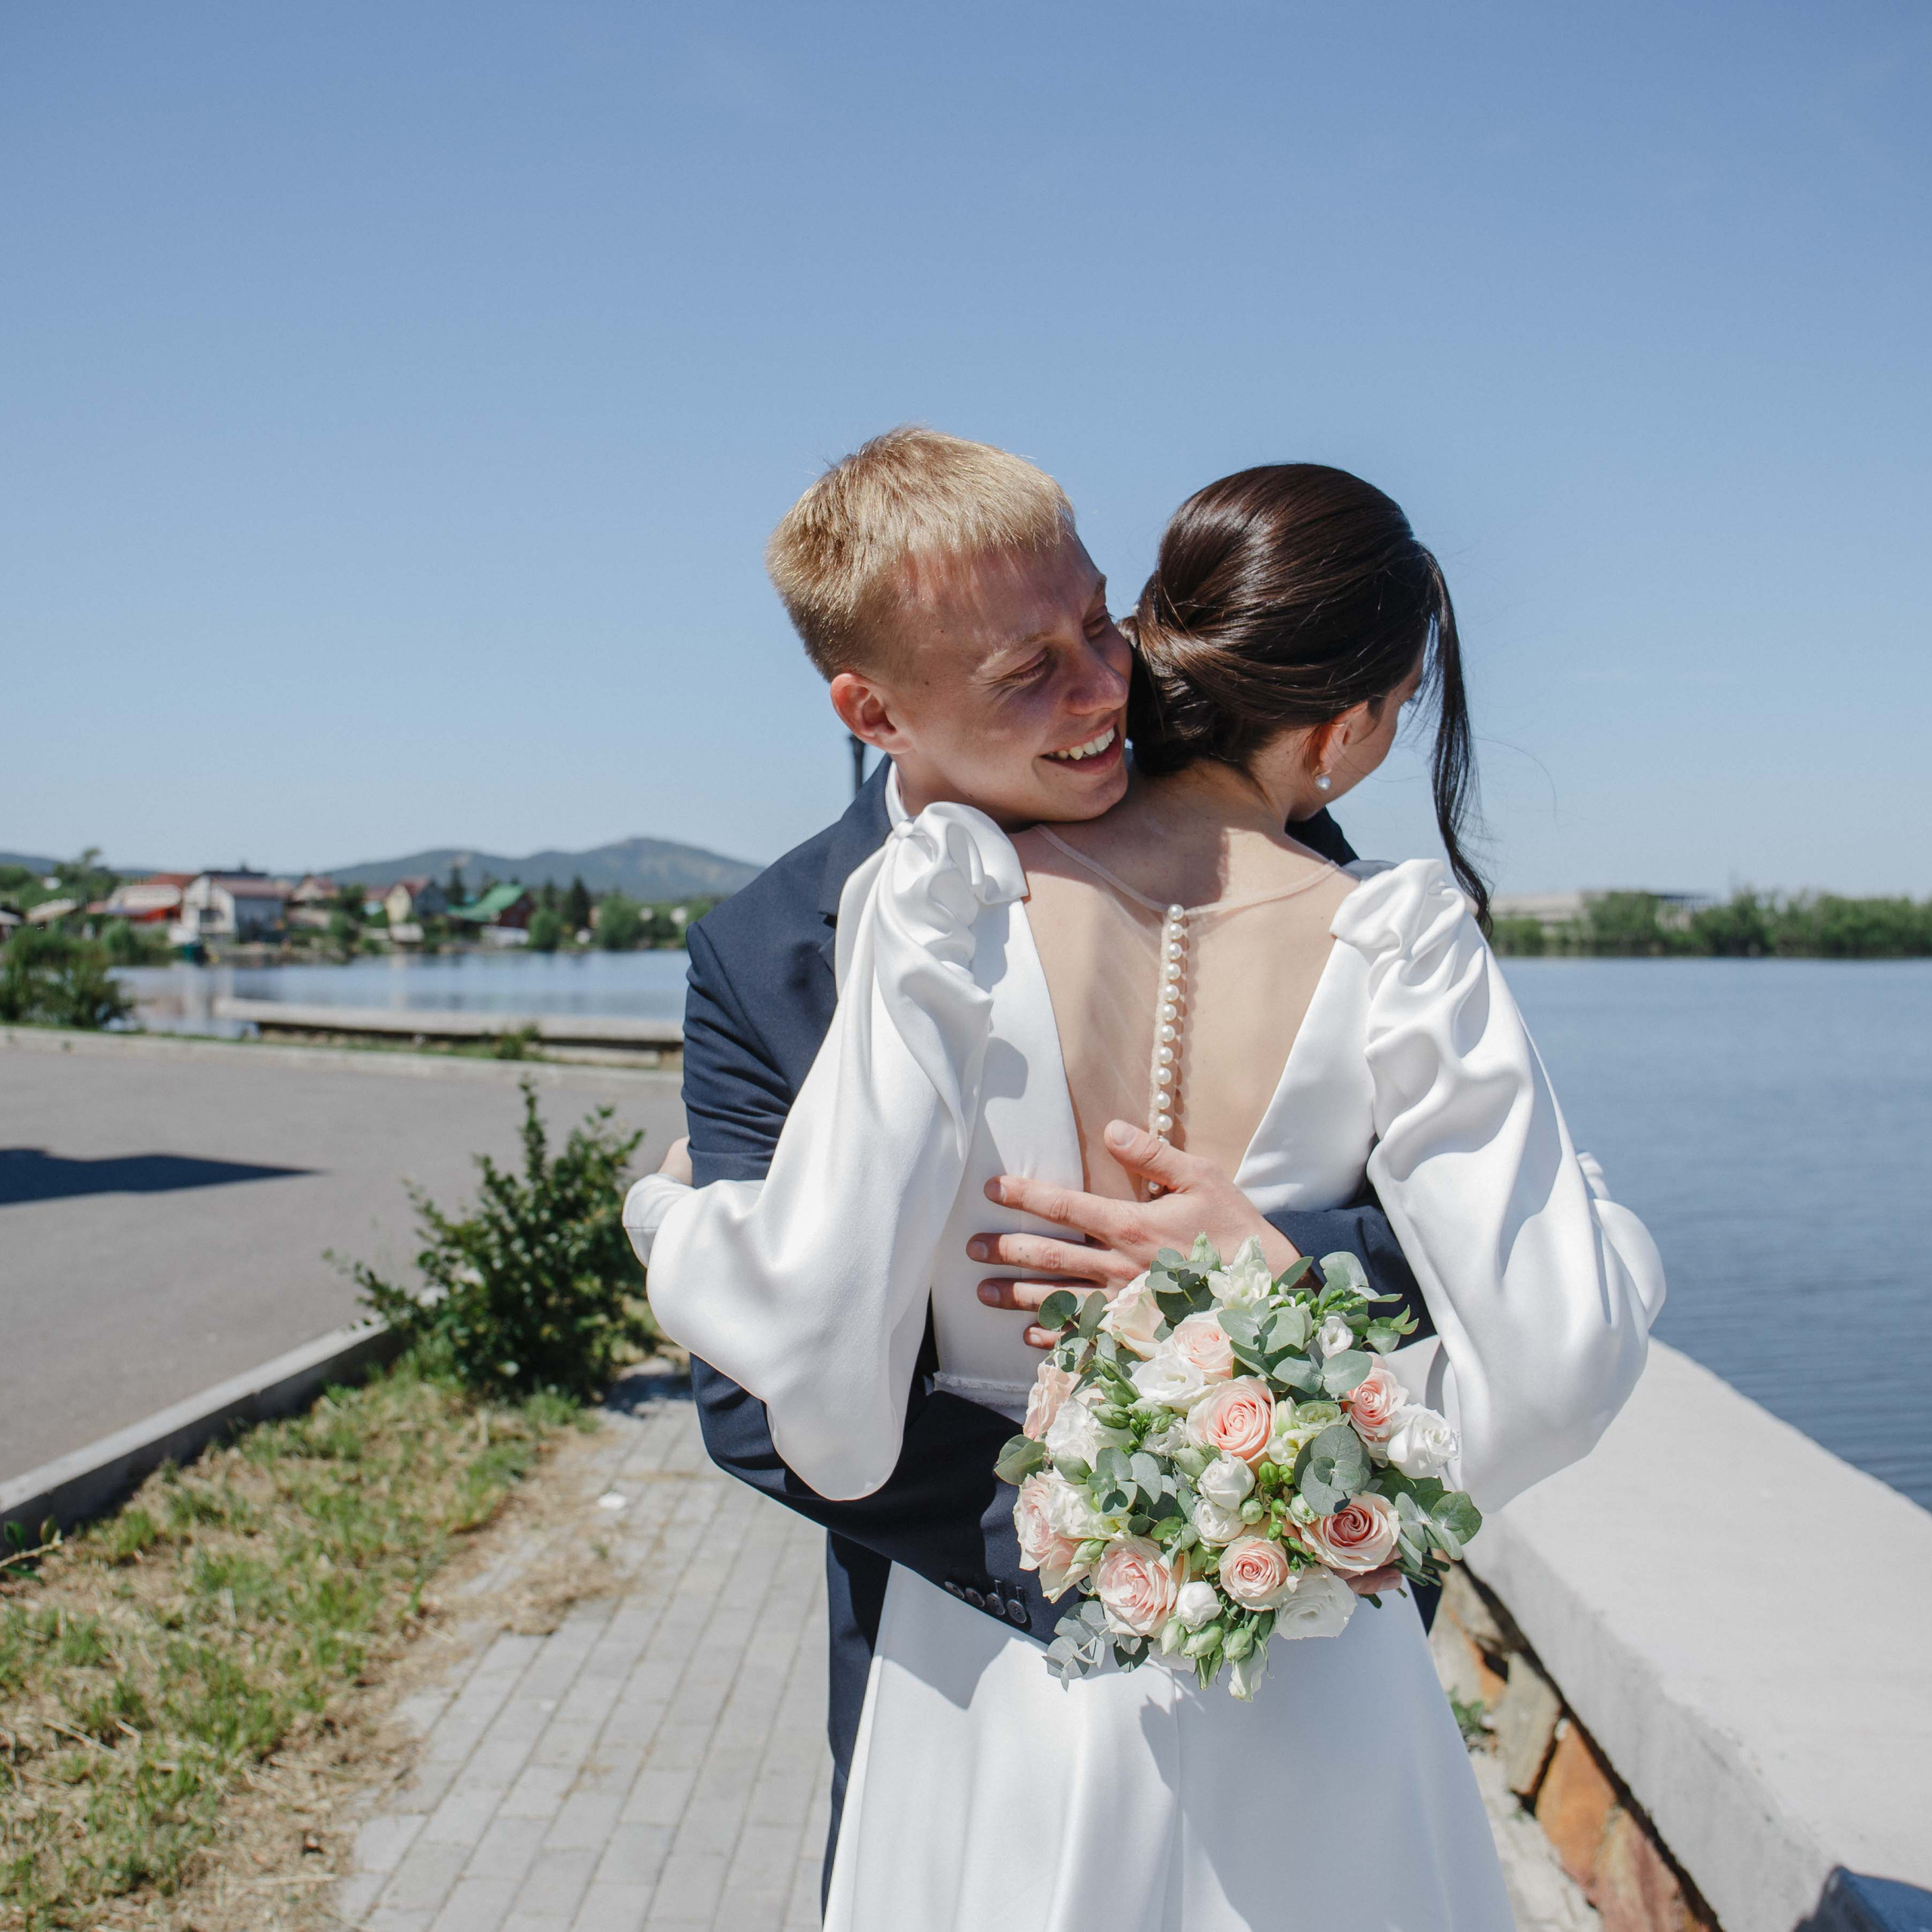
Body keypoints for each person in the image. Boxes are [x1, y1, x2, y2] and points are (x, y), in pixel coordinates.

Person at [633, 451, 1665, 1927]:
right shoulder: (780, 945)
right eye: (1029, 669)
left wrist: (1271, 1259)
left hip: (1158, 1662)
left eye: (1102, 630)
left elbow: (799, 1335)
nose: (1099, 690)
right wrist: (1222, 1534)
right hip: (1052, 1614)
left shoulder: (960, 915)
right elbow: (754, 1407)